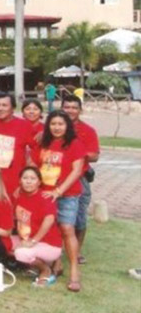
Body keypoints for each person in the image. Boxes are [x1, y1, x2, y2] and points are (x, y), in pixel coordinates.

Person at [32, 111, 86, 292]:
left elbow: (77, 170)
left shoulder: (74, 143)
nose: (56, 127)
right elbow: (34, 165)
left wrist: (59, 191)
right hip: (44, 194)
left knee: (67, 228)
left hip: (67, 194)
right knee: (50, 229)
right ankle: (56, 263)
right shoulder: (43, 143)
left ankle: (74, 272)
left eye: (60, 124)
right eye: (53, 124)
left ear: (67, 126)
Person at [62, 95, 99, 265]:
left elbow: (94, 156)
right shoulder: (55, 126)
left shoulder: (87, 130)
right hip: (55, 177)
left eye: (74, 107)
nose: (70, 110)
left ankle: (76, 251)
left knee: (80, 216)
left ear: (80, 110)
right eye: (67, 107)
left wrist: (76, 153)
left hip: (79, 177)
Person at [12, 167, 63, 287]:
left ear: (39, 182)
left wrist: (33, 241)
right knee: (4, 243)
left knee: (21, 253)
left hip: (48, 244)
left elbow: (49, 220)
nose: (28, 181)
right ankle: (33, 266)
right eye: (25, 178)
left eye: (32, 178)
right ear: (20, 181)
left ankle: (46, 269)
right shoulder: (18, 196)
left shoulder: (46, 197)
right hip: (26, 239)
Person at [0, 92, 35, 194]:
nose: (0, 108)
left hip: (14, 181)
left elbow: (37, 148)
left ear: (13, 108)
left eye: (4, 105)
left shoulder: (24, 126)